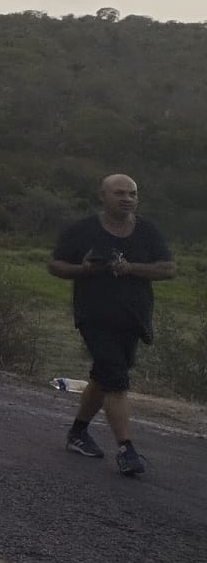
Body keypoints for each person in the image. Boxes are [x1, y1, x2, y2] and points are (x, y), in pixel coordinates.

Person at [48, 174, 175, 476]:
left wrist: (131, 268)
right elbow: (55, 264)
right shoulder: (83, 230)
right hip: (94, 316)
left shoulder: (147, 232)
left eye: (132, 193)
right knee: (116, 378)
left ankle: (78, 433)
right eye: (119, 193)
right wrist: (83, 269)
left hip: (132, 317)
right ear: (102, 196)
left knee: (104, 377)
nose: (127, 199)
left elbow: (168, 268)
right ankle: (126, 449)